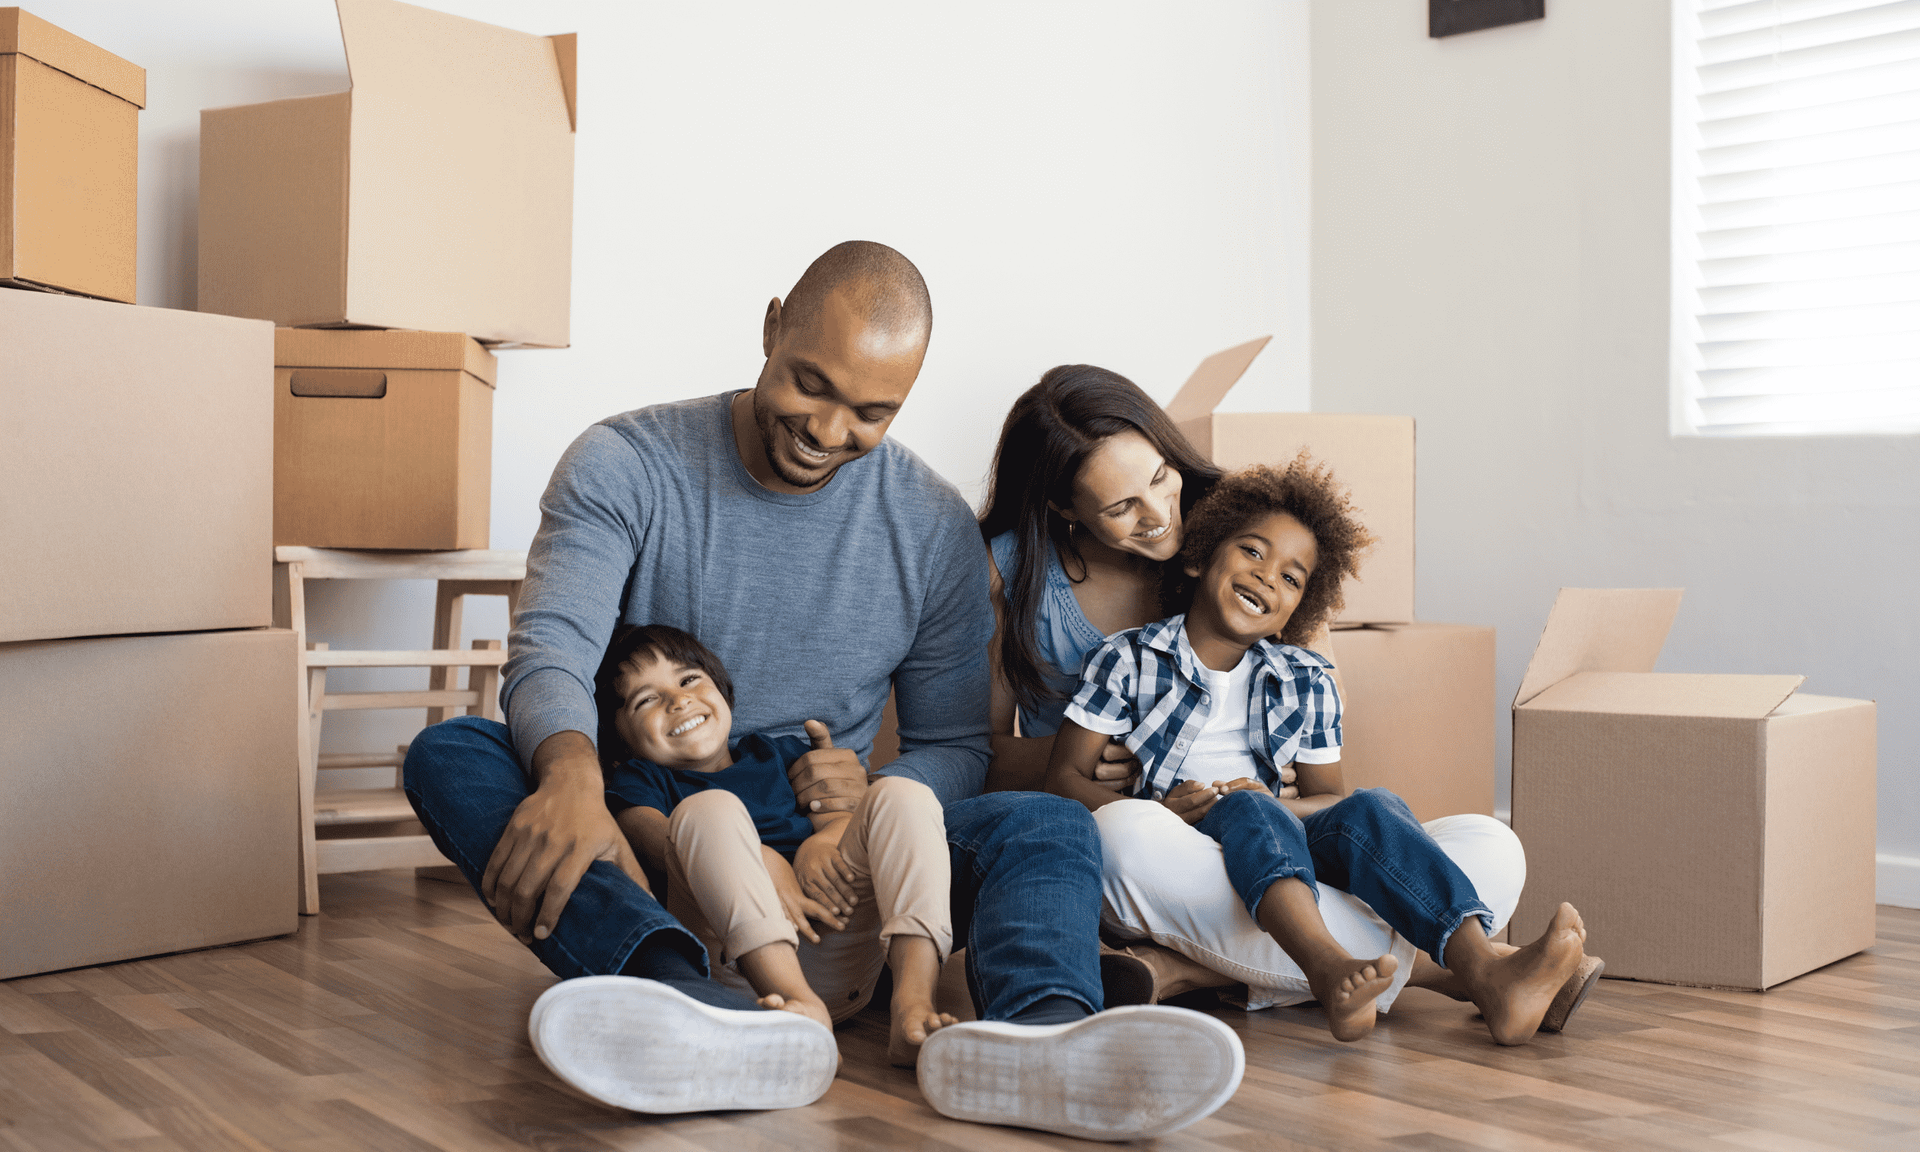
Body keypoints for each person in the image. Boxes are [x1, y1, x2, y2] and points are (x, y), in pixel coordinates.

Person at [403, 243, 1245, 1139]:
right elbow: (553, 648)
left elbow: (956, 743)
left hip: (844, 871)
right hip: (655, 837)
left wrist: (870, 799)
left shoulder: (927, 526)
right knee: (455, 755)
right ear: (772, 328)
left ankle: (1042, 1036)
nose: (829, 429)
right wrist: (571, 775)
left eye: (871, 412)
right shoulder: (626, 463)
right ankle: (678, 996)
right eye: (811, 384)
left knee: (1044, 820)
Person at [979, 365, 1601, 1029]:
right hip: (1155, 839)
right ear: (1065, 509)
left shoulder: (1254, 536)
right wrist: (1114, 771)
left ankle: (1189, 970)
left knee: (1490, 845)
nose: (1163, 517)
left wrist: (1284, 806)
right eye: (1121, 507)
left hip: (1279, 834)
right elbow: (985, 757)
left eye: (1160, 477)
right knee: (1129, 835)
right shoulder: (1065, 612)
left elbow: (1324, 782)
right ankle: (1453, 973)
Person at [594, 622, 956, 1062]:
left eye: (689, 679)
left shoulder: (776, 753)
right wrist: (763, 860)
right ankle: (797, 1003)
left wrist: (821, 842)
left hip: (839, 939)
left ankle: (913, 1004)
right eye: (646, 699)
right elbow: (653, 841)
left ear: (723, 693)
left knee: (903, 794)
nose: (679, 699)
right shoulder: (640, 781)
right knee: (709, 809)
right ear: (619, 740)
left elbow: (839, 815)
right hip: (742, 968)